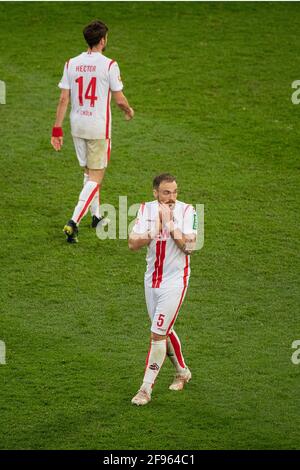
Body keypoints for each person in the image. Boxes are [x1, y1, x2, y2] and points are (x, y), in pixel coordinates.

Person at [51, 20, 134, 243]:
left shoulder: (71, 63)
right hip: (98, 128)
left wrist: (56, 129)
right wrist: (128, 110)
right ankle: (73, 221)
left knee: (88, 173)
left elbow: (63, 98)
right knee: (96, 177)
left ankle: (96, 217)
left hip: (77, 126)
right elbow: (119, 98)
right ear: (103, 40)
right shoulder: (109, 65)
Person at [128, 173, 197, 406]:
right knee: (163, 330)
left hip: (175, 282)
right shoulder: (145, 210)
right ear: (155, 192)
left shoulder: (188, 211)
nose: (172, 197)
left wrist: (169, 224)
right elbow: (132, 243)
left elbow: (190, 246)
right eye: (166, 192)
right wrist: (154, 229)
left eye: (175, 192)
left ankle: (145, 389)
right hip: (151, 281)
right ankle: (182, 371)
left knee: (157, 334)